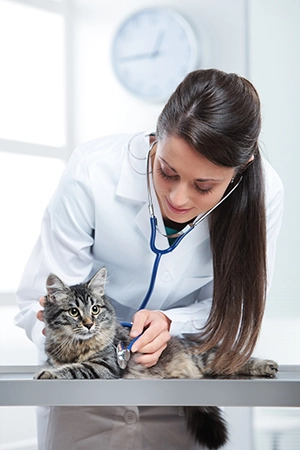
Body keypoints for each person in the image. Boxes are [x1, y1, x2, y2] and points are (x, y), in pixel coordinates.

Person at [15, 68, 283, 450]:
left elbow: (235, 312)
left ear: (241, 170)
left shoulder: (264, 194)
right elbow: (37, 303)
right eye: (167, 172)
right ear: (156, 138)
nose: (178, 199)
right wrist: (89, 342)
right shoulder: (94, 171)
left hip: (178, 386)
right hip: (85, 388)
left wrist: (171, 323)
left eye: (204, 186)